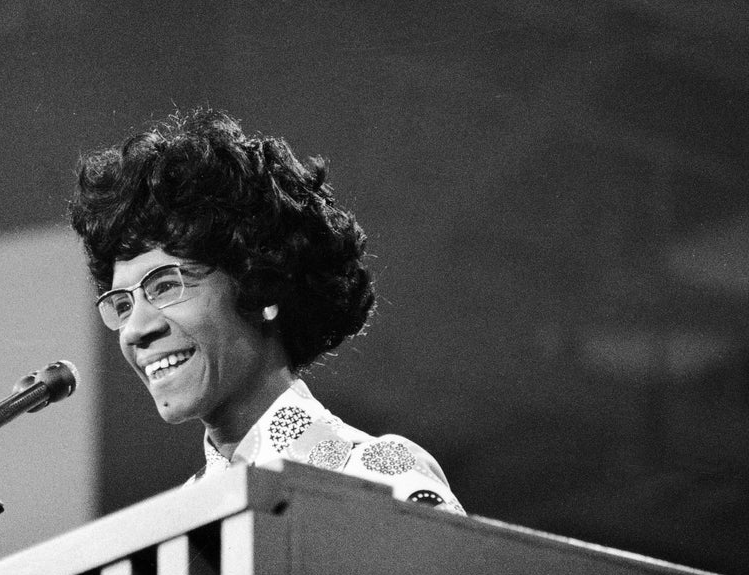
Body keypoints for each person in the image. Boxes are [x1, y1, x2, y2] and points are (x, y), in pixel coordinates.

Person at [69, 108, 463, 514]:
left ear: (262, 288)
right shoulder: (170, 529)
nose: (135, 329)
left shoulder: (377, 475)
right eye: (122, 303)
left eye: (166, 285)